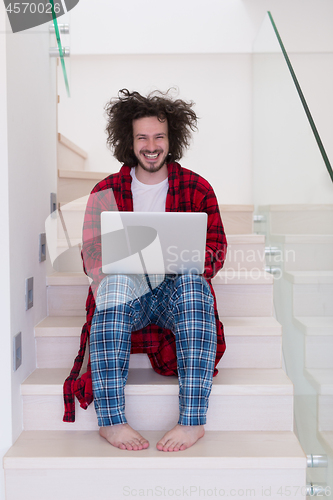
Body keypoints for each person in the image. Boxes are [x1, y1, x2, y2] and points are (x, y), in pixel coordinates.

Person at [63, 89, 227, 453]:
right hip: (128, 294)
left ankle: (192, 421)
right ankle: (111, 421)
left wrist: (187, 262)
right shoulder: (105, 190)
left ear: (171, 140)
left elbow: (216, 249)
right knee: (113, 286)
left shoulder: (197, 188)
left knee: (194, 287)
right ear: (129, 141)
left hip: (174, 295)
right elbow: (90, 256)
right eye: (142, 137)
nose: (151, 145)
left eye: (159, 137)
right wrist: (119, 266)